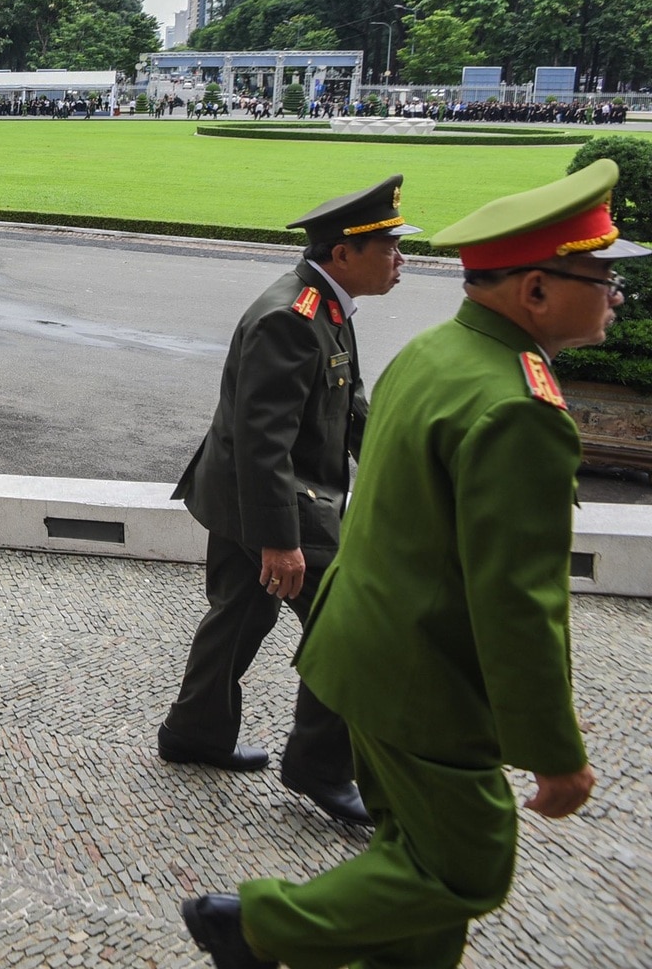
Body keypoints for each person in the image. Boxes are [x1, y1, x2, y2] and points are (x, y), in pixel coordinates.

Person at [184, 159, 632, 969]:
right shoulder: (515, 409)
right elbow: (517, 602)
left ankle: (222, 741)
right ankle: (255, 922)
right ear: (534, 292)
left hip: (363, 652)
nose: (616, 295)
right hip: (415, 679)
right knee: (467, 863)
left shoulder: (435, 351)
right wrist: (554, 747)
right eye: (600, 276)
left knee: (418, 872)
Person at [160, 177, 417, 828]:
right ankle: (320, 765)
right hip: (268, 498)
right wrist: (280, 539)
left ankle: (195, 731)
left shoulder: (327, 307)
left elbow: (347, 408)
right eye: (388, 244)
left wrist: (402, 461)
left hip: (253, 492)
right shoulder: (292, 317)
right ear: (342, 255)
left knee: (240, 615)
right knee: (347, 625)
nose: (400, 257)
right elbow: (260, 439)